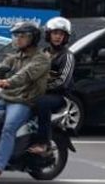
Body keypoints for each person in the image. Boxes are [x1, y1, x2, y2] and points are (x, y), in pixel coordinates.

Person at [0, 22, 51, 181]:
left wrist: (7, 82)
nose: (17, 39)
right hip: (7, 97)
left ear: (32, 39)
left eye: (22, 36)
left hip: (24, 100)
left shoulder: (41, 59)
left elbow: (25, 74)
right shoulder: (16, 56)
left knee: (9, 128)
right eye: (16, 36)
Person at [29, 17, 76, 155]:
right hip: (39, 91)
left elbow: (62, 81)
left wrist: (41, 87)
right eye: (55, 33)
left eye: (61, 34)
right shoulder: (42, 53)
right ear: (49, 34)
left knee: (42, 103)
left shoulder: (67, 56)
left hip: (59, 96)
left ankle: (43, 143)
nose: (57, 37)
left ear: (65, 37)